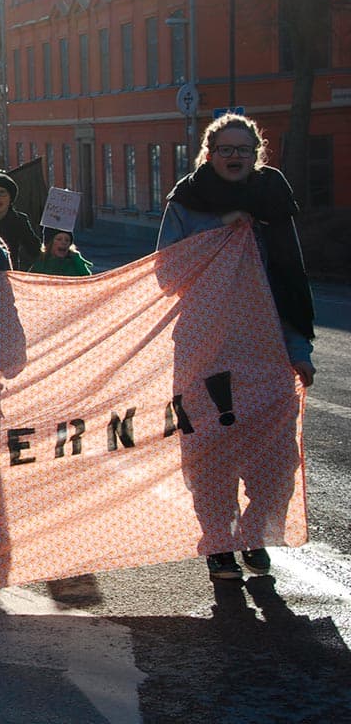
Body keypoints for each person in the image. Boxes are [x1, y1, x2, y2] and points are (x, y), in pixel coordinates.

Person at [156, 112, 316, 581]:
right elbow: (167, 274)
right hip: (203, 349)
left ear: (256, 155)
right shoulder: (187, 201)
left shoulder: (273, 197)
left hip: (266, 351)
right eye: (224, 149)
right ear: (209, 153)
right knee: (210, 453)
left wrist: (298, 349)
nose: (233, 156)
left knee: (276, 457)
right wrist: (219, 231)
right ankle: (219, 542)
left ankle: (253, 533)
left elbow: (289, 280)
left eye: (242, 149)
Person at [0, 173, 42, 271]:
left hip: (9, 273)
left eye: (2, 193)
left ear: (10, 198)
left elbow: (35, 250)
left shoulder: (19, 220)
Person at [29, 229, 93, 276]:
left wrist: (77, 260)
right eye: (59, 239)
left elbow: (87, 281)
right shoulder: (41, 261)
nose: (64, 242)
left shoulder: (75, 262)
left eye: (67, 240)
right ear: (50, 243)